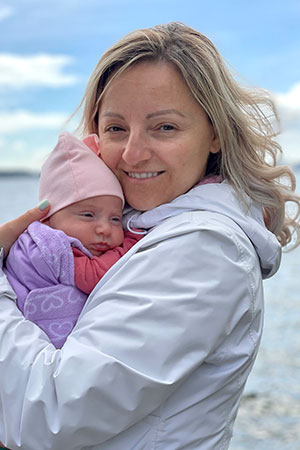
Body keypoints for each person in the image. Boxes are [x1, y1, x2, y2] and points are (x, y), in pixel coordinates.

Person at [0, 21, 299, 450]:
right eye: (116, 128)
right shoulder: (135, 226)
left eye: (165, 128)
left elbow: (50, 411)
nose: (133, 153)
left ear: (215, 133)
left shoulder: (204, 249)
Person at [3, 131, 143, 348]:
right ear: (48, 219)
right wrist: (132, 241)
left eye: (116, 218)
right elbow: (93, 275)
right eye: (88, 215)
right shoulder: (49, 246)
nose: (105, 228)